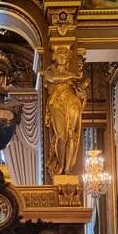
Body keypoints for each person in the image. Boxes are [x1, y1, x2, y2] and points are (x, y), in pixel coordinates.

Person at [44, 46, 89, 175]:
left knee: (71, 135)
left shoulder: (74, 79)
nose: (62, 56)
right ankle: (60, 165)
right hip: (56, 102)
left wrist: (83, 96)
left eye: (65, 54)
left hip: (72, 101)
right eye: (60, 54)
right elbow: (53, 78)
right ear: (55, 57)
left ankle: (67, 168)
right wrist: (72, 76)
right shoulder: (50, 70)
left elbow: (81, 90)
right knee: (61, 136)